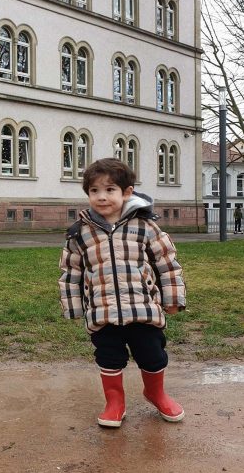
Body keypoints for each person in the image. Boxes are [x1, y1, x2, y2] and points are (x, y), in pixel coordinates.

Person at [59, 158, 186, 428]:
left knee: (152, 354)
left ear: (127, 192)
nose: (102, 197)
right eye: (94, 191)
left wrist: (173, 299)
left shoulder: (145, 226)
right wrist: (73, 308)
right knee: (108, 357)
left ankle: (156, 392)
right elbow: (71, 273)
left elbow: (167, 263)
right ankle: (114, 401)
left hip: (143, 309)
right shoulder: (80, 234)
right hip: (102, 312)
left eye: (110, 190)